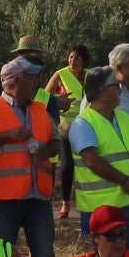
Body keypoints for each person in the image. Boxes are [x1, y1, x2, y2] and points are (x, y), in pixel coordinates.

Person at [0, 58, 58, 257]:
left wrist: (46, 150)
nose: (38, 81)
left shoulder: (40, 109)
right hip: (2, 200)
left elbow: (56, 142)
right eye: (32, 77)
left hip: (38, 197)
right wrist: (8, 134)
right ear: (17, 81)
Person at [69, 66, 129, 254]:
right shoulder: (83, 124)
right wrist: (125, 181)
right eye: (116, 85)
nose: (120, 89)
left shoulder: (126, 118)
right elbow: (92, 161)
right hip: (103, 212)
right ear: (103, 91)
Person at [45, 43, 94, 218]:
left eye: (78, 57)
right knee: (67, 164)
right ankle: (65, 204)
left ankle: (87, 201)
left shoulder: (89, 76)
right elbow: (44, 97)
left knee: (87, 163)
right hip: (65, 127)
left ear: (84, 60)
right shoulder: (60, 75)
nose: (74, 60)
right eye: (71, 56)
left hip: (86, 127)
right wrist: (59, 100)